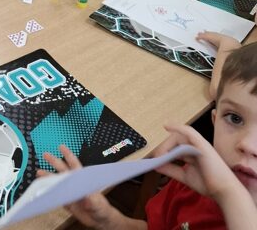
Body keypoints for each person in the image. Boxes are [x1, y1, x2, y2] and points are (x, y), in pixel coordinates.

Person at [40, 34, 257, 229]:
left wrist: (228, 193)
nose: (247, 144)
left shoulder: (221, 187)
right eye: (235, 118)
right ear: (215, 120)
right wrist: (111, 221)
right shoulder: (196, 182)